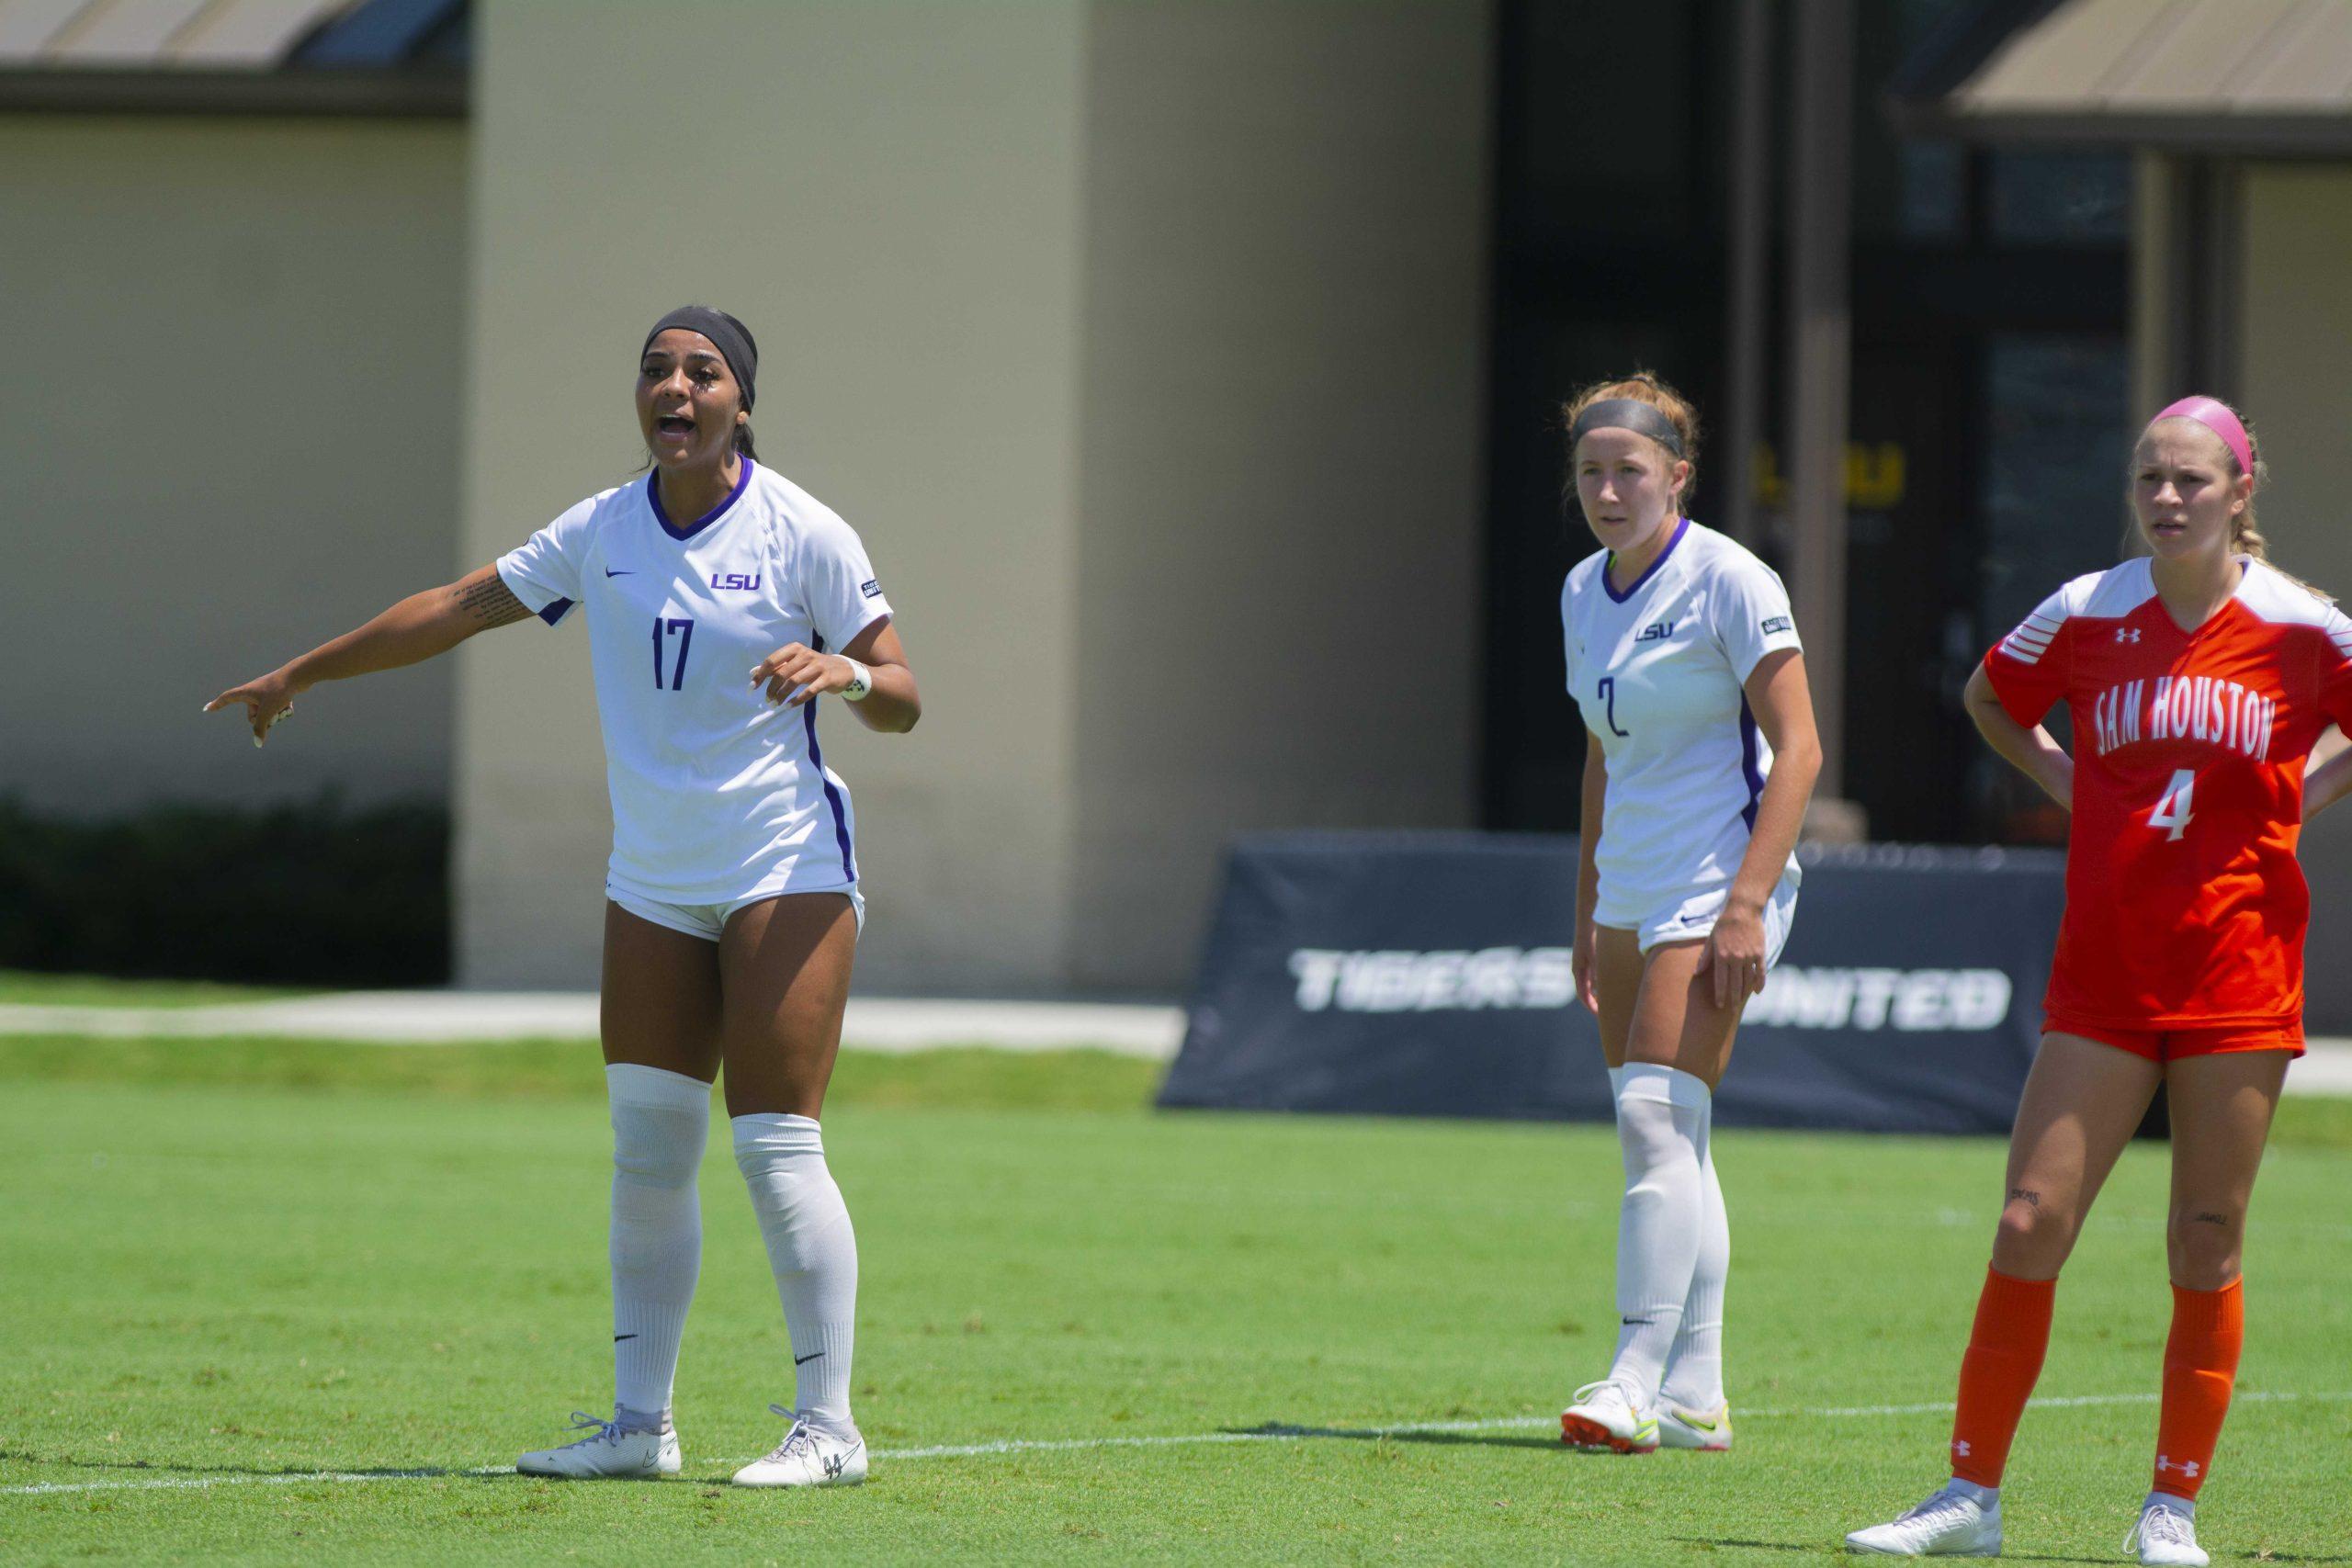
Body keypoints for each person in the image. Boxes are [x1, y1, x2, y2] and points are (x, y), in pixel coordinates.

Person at [207, 306, 919, 1490]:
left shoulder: (804, 531)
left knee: (775, 1145)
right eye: (656, 372)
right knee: (647, 1150)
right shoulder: (600, 531)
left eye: (703, 374)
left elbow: (901, 691)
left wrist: (841, 670)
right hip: (651, 875)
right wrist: (302, 671)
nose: (675, 390)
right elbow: (457, 605)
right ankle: (640, 1427)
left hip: (782, 864)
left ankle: (829, 1427)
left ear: (742, 400)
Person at [1845, 396, 2352, 1562]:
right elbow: (1988, 698)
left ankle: (2169, 1508)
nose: (2166, 500)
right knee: (2029, 1219)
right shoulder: (2086, 608)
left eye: (2189, 481)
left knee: (2205, 1231)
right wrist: (2072, 782)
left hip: (2237, 968)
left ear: (2241, 489)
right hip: (2106, 972)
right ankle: (1967, 1498)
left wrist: (2299, 802)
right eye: (2148, 480)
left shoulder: (2298, 626)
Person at [1554, 373, 1823, 1455]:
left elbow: (1799, 749)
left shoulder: (1729, 577)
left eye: (1630, 469)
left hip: (1722, 883)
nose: (1610, 490)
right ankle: (1698, 1393)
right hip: (1629, 882)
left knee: (1652, 1122)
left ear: (1678, 476)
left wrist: (1748, 904)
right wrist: (1585, 911)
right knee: (1671, 1139)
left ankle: (1630, 1376)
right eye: (1590, 471)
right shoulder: (1579, 590)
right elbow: (1599, 756)